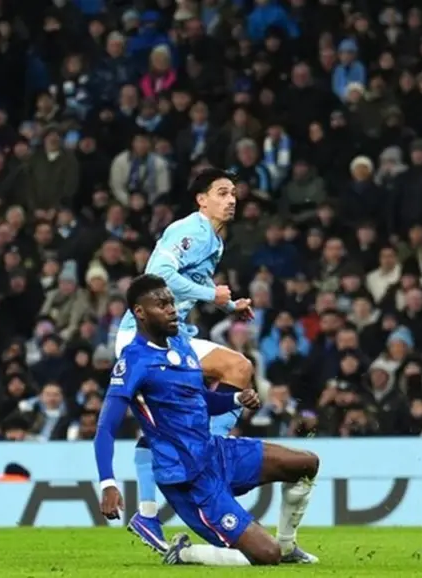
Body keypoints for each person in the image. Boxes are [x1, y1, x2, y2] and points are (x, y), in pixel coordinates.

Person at [95, 274, 319, 566]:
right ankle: (183, 553)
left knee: (306, 464)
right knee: (267, 554)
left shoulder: (181, 346)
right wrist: (108, 483)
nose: (172, 310)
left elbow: (201, 401)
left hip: (215, 452)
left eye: (172, 303)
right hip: (188, 479)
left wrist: (236, 399)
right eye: (162, 305)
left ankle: (288, 546)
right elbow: (105, 427)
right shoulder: (133, 362)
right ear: (140, 312)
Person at [113, 168, 255, 550]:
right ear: (201, 200)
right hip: (143, 341)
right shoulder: (191, 230)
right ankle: (207, 460)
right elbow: (157, 275)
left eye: (233, 193)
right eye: (222, 192)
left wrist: (229, 305)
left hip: (175, 338)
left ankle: (149, 514)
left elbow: (192, 287)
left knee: (237, 369)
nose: (231, 199)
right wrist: (213, 296)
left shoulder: (214, 240)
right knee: (233, 370)